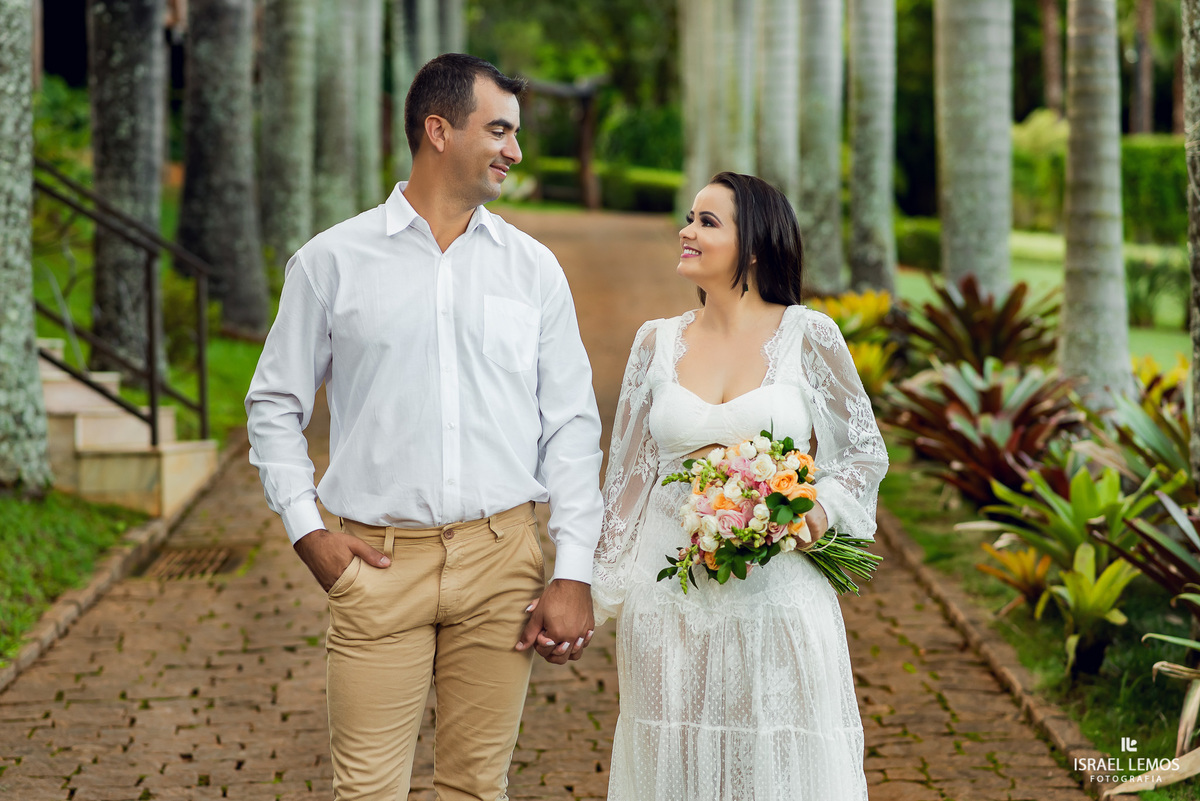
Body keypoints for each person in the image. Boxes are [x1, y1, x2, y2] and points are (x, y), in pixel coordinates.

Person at [245, 54, 603, 801]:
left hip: (502, 561)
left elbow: (570, 425)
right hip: (377, 563)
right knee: (368, 790)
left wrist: (572, 569)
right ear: (439, 130)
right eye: (499, 130)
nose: (515, 150)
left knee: (476, 787)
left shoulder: (533, 271)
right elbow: (273, 406)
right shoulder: (331, 263)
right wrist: (308, 532)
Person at [591, 172, 887, 799]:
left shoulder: (809, 335)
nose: (686, 231)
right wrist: (594, 596)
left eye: (706, 221)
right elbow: (628, 482)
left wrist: (813, 512)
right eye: (690, 217)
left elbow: (861, 453)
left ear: (752, 246)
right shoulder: (655, 342)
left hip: (777, 599)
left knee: (776, 759)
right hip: (669, 598)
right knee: (673, 760)